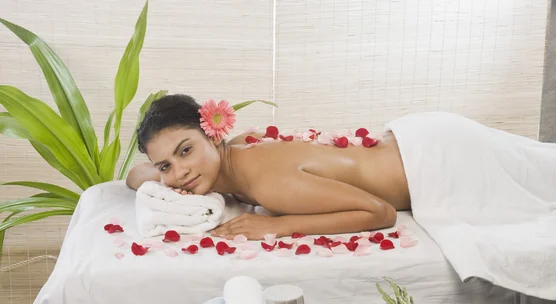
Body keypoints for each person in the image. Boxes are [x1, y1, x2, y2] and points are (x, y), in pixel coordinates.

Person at [126, 94, 410, 240]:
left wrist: (277, 225)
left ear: (213, 135)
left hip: (421, 162)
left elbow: (380, 212)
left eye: (185, 151)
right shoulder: (240, 145)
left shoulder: (268, 184)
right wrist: (166, 172)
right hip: (397, 143)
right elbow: (135, 175)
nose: (180, 172)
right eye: (165, 166)